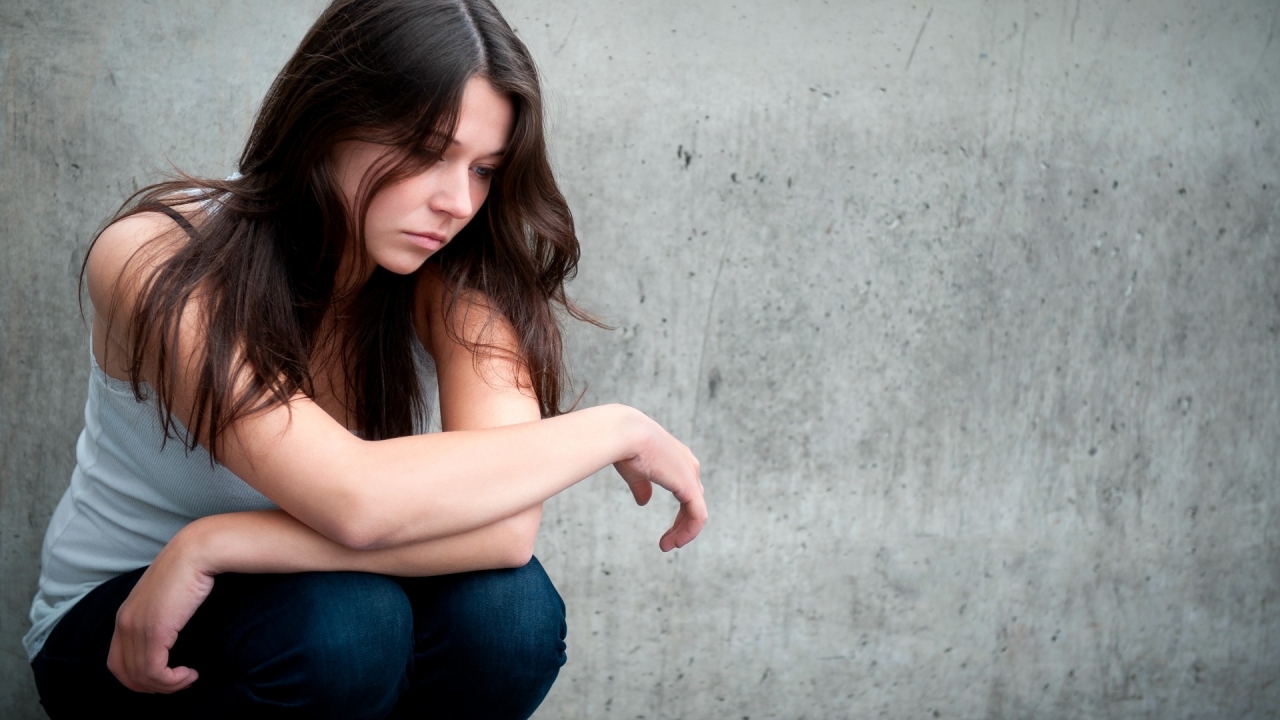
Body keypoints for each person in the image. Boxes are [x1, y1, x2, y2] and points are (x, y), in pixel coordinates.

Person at [23, 0, 707, 717]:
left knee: (510, 616)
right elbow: (356, 502)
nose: (457, 202)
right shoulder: (158, 256)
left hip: (316, 596)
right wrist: (617, 429)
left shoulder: (457, 273)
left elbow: (505, 533)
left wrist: (218, 542)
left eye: (483, 169)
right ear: (328, 122)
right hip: (130, 624)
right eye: (426, 153)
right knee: (347, 626)